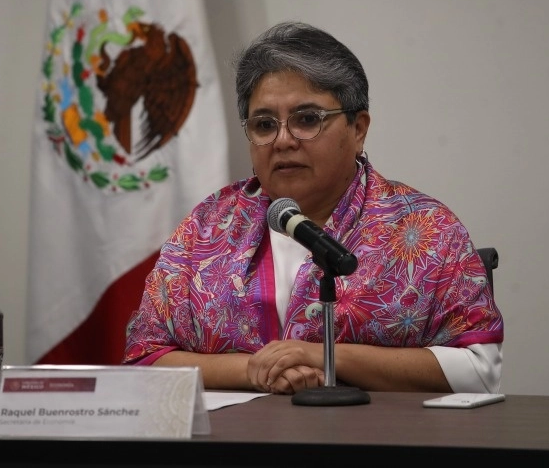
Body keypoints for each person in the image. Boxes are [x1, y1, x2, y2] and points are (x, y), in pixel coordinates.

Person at [123, 21, 503, 395]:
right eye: (264, 124)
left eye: (307, 120)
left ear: (358, 129)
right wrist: (256, 370)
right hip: (233, 450)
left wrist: (325, 358)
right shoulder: (207, 227)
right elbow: (144, 359)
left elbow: (479, 370)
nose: (283, 140)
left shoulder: (426, 229)